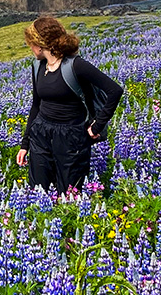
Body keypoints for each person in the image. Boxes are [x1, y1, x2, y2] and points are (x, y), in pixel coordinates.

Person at [16, 17, 124, 195]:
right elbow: (36, 105)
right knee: (38, 192)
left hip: (71, 137)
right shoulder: (37, 66)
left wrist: (98, 125)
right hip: (41, 135)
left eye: (31, 43)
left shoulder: (76, 65)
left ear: (40, 44)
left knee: (69, 195)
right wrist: (25, 144)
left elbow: (115, 90)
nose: (30, 48)